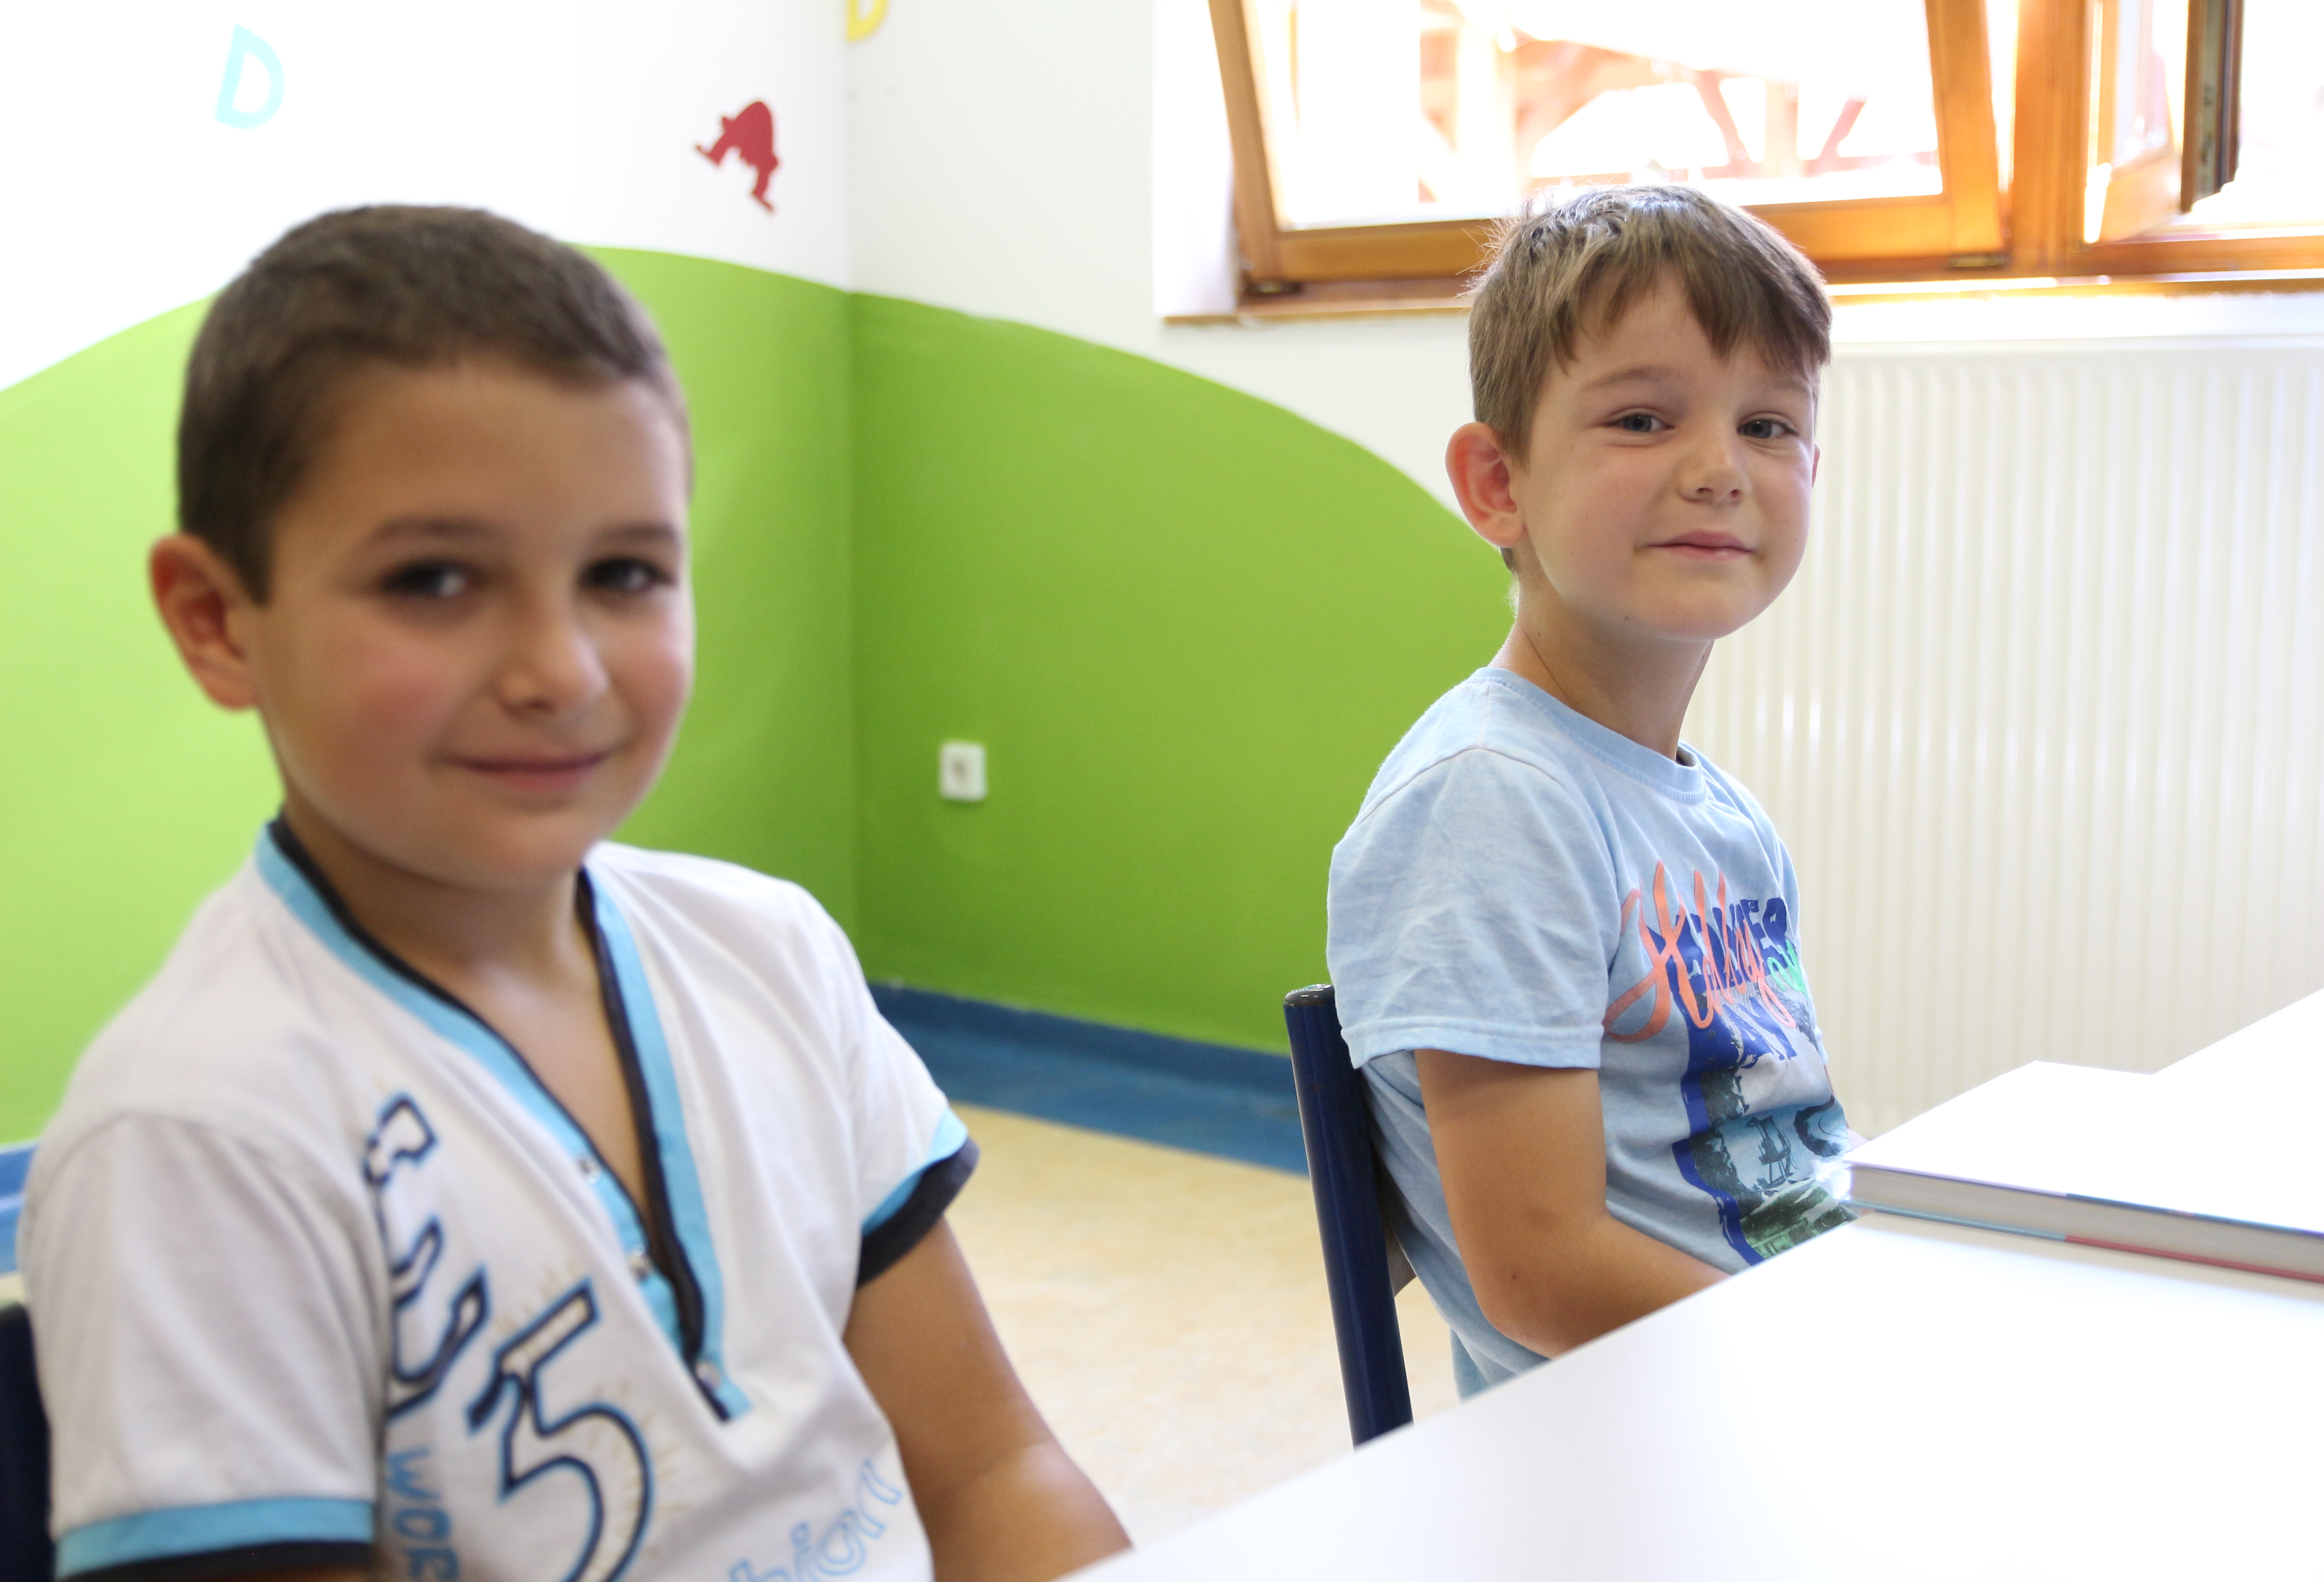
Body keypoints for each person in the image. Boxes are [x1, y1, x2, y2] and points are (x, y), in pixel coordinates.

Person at [20, 206, 1128, 1582]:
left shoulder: (771, 954)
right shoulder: (198, 1138)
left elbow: (994, 1471)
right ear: (216, 619)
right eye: (435, 580)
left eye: (625, 574)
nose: (562, 669)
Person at [1326, 184, 1861, 1398]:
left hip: (1768, 1374)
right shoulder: (1492, 804)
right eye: (1641, 419)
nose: (1720, 470)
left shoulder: (1722, 819)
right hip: (1650, 1434)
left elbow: (1787, 1156)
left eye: (1769, 426)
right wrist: (1834, 1357)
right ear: (1497, 484)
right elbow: (1541, 1273)